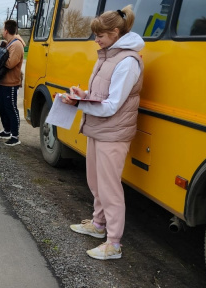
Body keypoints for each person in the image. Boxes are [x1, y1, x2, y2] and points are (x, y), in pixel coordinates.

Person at [63, 5, 144, 261]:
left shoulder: (128, 62)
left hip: (113, 132)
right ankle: (98, 226)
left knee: (110, 188)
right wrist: (83, 95)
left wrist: (79, 103)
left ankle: (114, 242)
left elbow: (112, 105)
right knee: (96, 182)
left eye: (100, 35)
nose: (96, 40)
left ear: (116, 32)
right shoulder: (108, 56)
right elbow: (102, 97)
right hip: (99, 128)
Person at [0, 20, 25, 146]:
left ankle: (15, 135)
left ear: (6, 30)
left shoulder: (16, 45)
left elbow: (10, 63)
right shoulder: (9, 43)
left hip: (11, 82)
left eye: (2, 29)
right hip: (4, 81)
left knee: (11, 108)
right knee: (3, 108)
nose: (2, 31)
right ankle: (7, 130)